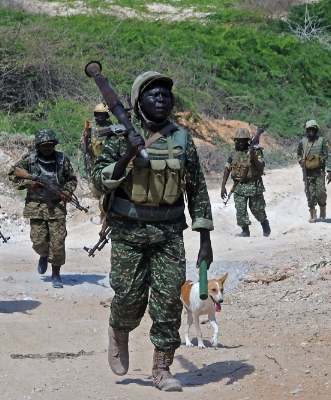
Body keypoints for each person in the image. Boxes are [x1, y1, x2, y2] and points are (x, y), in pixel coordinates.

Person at [92, 71, 214, 392]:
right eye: (153, 94)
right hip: (128, 230)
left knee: (169, 301)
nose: (161, 98)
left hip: (169, 232)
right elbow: (99, 181)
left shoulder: (182, 139)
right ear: (137, 102)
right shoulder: (120, 137)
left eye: (166, 94)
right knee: (129, 297)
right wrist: (128, 154)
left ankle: (162, 368)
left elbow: (197, 191)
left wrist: (205, 239)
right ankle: (119, 331)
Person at [8, 128, 77, 288]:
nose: (47, 148)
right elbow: (13, 174)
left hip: (56, 206)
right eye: (43, 145)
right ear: (38, 146)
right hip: (36, 206)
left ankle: (56, 274)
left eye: (50, 145)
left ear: (54, 144)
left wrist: (67, 191)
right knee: (38, 241)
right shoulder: (29, 160)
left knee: (58, 242)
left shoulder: (62, 160)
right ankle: (43, 255)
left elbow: (71, 179)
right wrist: (29, 183)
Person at [220, 128, 270, 237]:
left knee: (257, 209)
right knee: (240, 210)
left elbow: (261, 166)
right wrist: (223, 185)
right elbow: (227, 168)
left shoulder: (256, 151)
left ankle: (264, 224)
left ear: (248, 140)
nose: (241, 142)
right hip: (239, 186)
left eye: (243, 140)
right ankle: (245, 231)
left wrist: (253, 157)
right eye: (239, 140)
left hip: (254, 185)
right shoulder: (233, 153)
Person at [297, 120, 331, 223]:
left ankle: (322, 208)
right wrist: (300, 161)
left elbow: (327, 156)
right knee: (310, 193)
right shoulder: (303, 142)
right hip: (308, 172)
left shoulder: (322, 141)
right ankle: (312, 213)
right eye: (309, 129)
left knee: (320, 192)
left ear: (316, 130)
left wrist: (329, 171)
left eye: (313, 129)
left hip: (320, 171)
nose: (311, 131)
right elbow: (298, 153)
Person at [81, 103, 116, 199]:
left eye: (102, 114)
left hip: (109, 162)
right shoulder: (90, 128)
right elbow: (83, 147)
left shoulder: (112, 127)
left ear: (106, 115)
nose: (100, 116)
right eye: (98, 114)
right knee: (95, 188)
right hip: (94, 163)